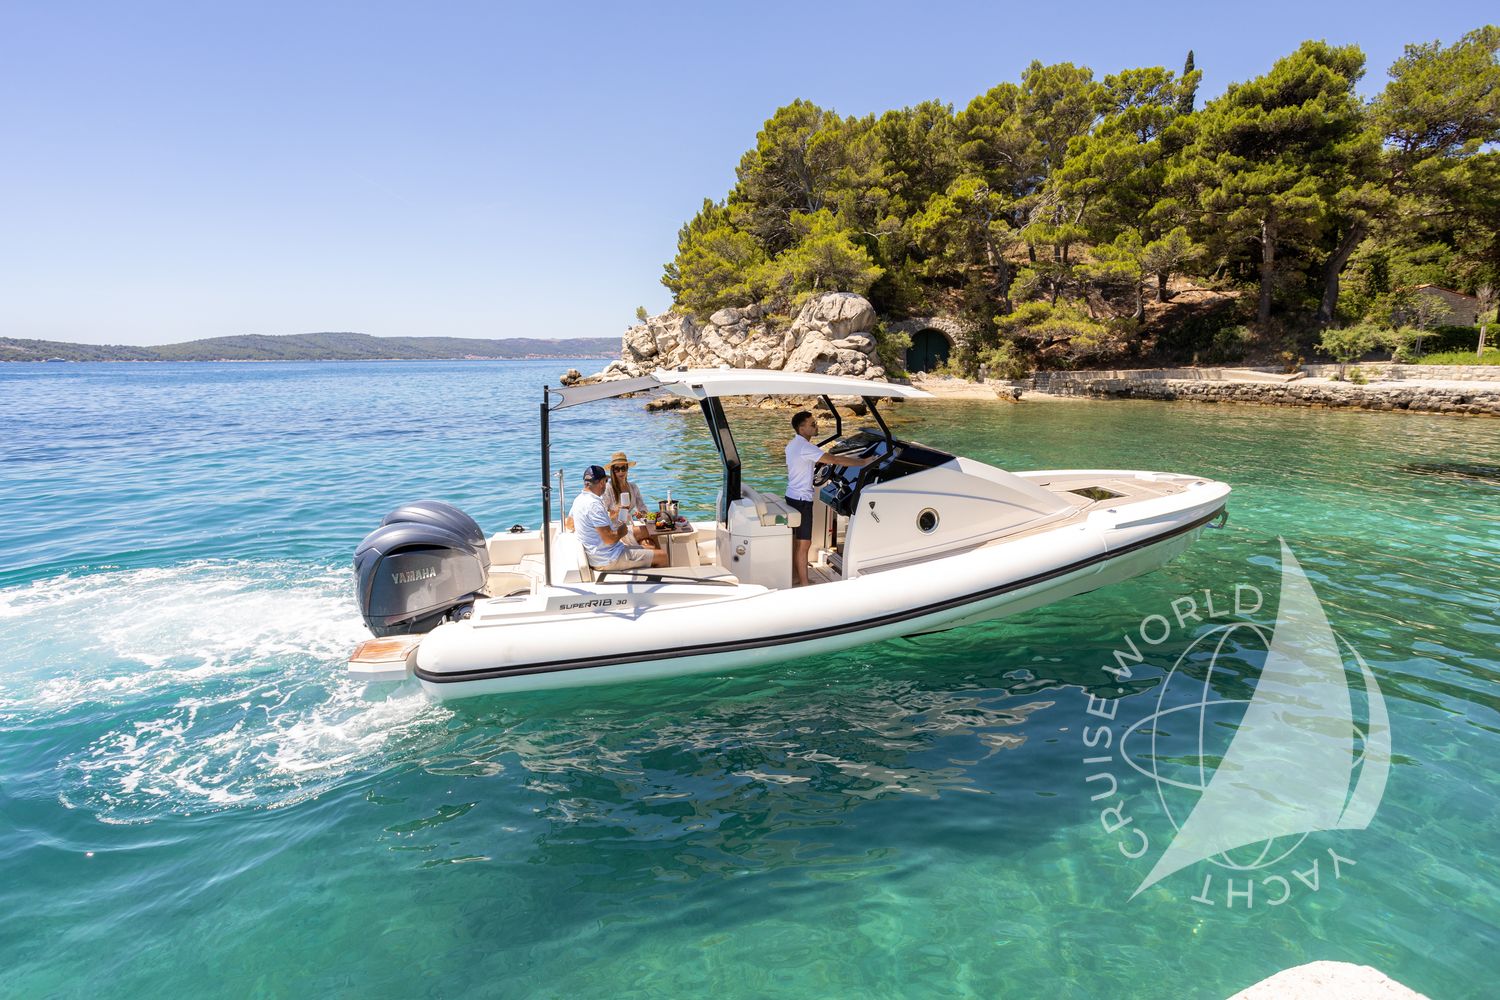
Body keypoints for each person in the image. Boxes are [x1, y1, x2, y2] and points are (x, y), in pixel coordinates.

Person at [785, 410, 873, 587]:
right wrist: (864, 462)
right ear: (801, 428)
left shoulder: (793, 445)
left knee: (798, 543)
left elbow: (809, 461)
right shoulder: (806, 448)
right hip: (802, 500)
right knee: (804, 543)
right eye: (812, 424)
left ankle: (797, 578)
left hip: (792, 496)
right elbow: (833, 459)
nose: (816, 426)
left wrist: (819, 461)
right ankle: (804, 585)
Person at [569, 465, 668, 572]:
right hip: (609, 558)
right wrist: (622, 531)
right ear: (601, 482)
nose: (606, 484)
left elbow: (569, 524)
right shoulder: (594, 505)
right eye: (605, 481)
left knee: (652, 549)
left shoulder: (578, 500)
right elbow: (609, 539)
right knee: (663, 556)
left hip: (604, 554)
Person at [602, 450, 655, 545]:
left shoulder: (633, 487)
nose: (621, 472)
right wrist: (616, 512)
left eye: (623, 468)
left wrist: (641, 514)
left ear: (627, 469)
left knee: (650, 544)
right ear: (612, 470)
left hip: (629, 527)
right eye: (617, 469)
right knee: (652, 531)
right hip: (616, 531)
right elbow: (602, 516)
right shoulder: (608, 488)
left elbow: (643, 509)